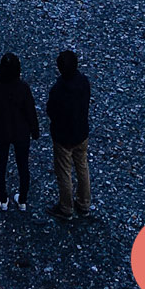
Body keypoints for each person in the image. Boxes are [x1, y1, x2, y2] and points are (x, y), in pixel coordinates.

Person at [0, 53, 40, 213]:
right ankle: (22, 200)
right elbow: (30, 111)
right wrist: (35, 130)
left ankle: (3, 199)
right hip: (21, 132)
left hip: (1, 132)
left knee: (0, 164)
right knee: (23, 166)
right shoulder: (22, 87)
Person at [46, 49, 92, 220]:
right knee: (82, 166)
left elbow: (51, 111)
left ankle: (66, 208)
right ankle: (84, 204)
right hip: (81, 132)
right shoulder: (84, 82)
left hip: (64, 137)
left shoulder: (58, 90)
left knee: (64, 171)